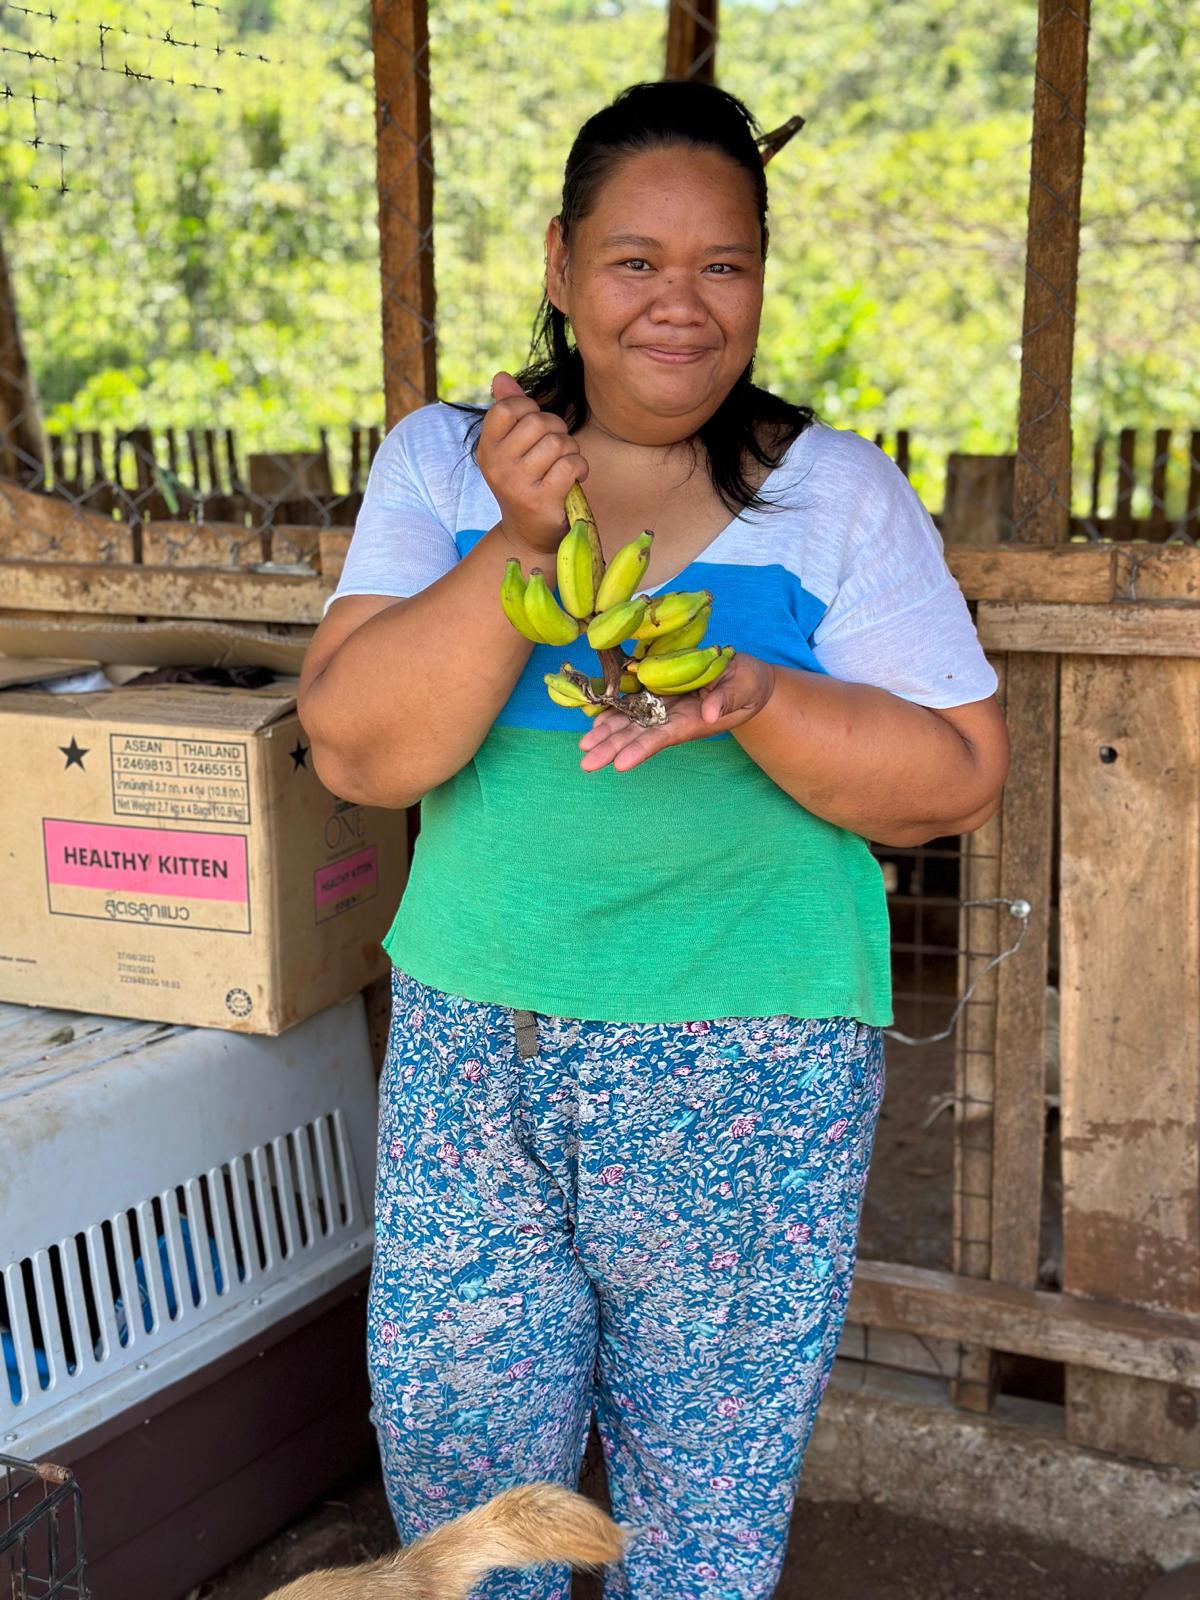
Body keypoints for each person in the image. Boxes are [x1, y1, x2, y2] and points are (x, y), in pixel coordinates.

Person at [298, 78, 1008, 1600]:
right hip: (477, 1044)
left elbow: (955, 776)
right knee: (468, 1499)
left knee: (704, 1511)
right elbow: (363, 749)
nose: (679, 305)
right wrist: (518, 541)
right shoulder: (448, 464)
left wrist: (756, 694)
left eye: (722, 265)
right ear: (560, 267)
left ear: (761, 275)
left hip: (750, 1067)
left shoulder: (835, 497)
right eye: (635, 261)